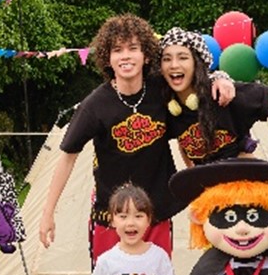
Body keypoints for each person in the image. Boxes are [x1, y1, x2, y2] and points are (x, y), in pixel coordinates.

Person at [39, 14, 235, 262]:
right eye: (117, 50)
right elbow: (68, 157)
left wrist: (221, 78)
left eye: (133, 48)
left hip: (156, 212)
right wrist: (47, 213)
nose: (126, 56)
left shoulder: (162, 90)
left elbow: (191, 81)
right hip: (112, 216)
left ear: (147, 56)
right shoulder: (95, 106)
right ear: (108, 58)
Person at [158, 27, 268, 169]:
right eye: (166, 59)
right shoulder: (171, 108)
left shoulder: (222, 94)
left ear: (196, 64)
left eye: (183, 58)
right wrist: (190, 174)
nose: (174, 65)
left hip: (244, 177)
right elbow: (184, 140)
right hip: (208, 187)